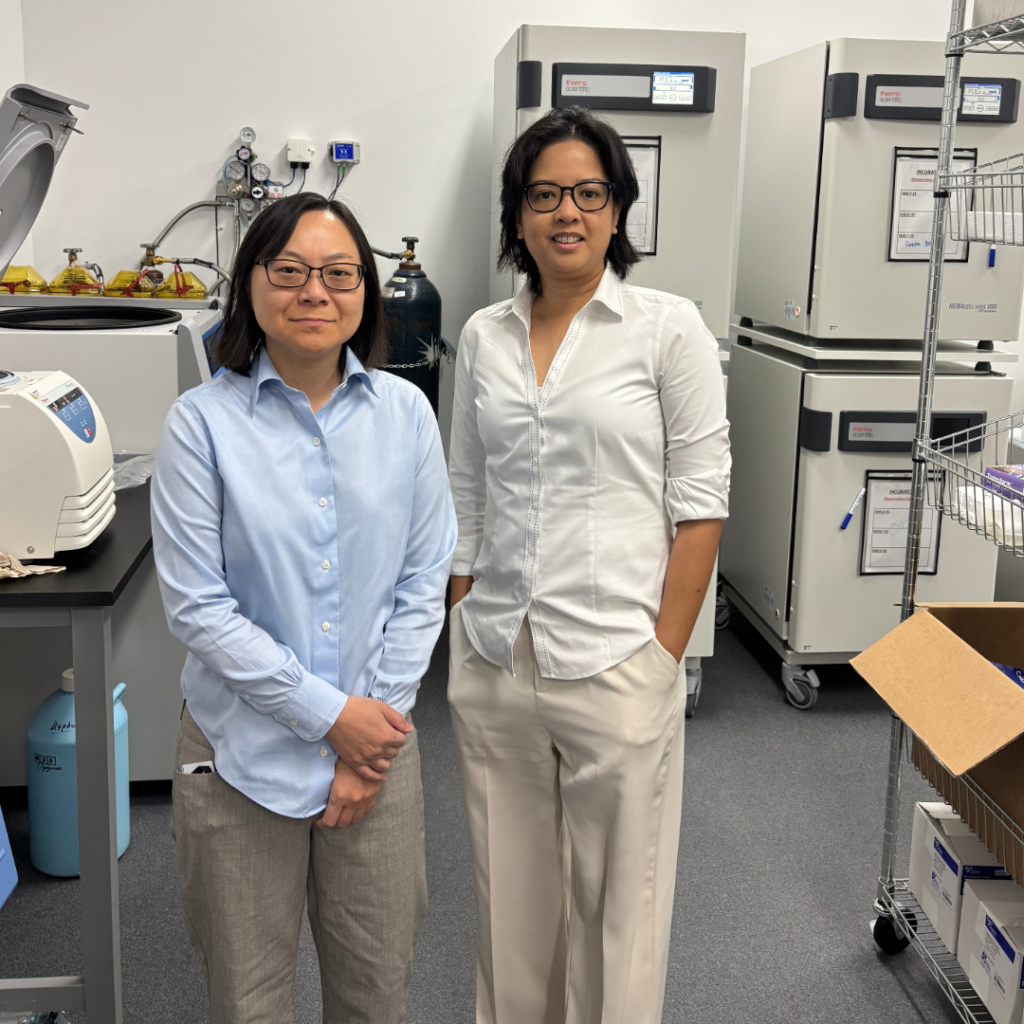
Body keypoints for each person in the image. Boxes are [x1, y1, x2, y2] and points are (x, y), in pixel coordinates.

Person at [447, 106, 731, 1024]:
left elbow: (702, 503)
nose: (565, 212)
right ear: (517, 216)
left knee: (622, 915)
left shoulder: (667, 328)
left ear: (618, 211)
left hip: (616, 659)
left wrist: (662, 657)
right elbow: (466, 493)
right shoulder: (484, 337)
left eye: (587, 193)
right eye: (543, 195)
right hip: (498, 658)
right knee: (510, 907)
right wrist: (462, 625)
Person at [151, 192, 456, 1024]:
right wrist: (332, 719)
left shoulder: (407, 416)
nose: (313, 292)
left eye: (337, 273)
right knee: (247, 1003)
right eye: (288, 271)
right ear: (250, 284)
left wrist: (370, 737)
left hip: (379, 760)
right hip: (239, 757)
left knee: (376, 994)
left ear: (364, 291)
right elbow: (198, 608)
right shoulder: (199, 426)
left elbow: (424, 577)